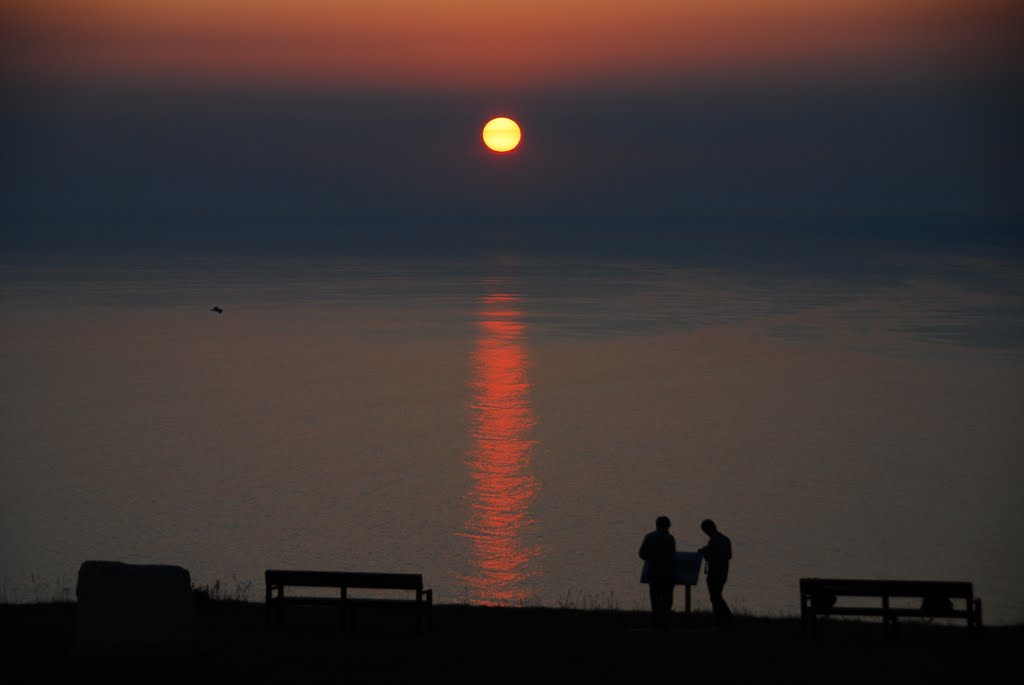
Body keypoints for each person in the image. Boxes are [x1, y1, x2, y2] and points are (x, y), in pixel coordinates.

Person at [639, 515, 676, 631]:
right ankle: (666, 623)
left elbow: (642, 554)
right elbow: (672, 556)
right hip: (667, 574)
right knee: (667, 599)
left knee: (655, 599)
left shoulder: (649, 537)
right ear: (667, 526)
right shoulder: (670, 538)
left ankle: (656, 623)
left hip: (653, 572)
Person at [698, 518, 733, 627]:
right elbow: (729, 556)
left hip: (714, 573)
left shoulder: (713, 541)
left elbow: (710, 556)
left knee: (715, 597)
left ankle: (724, 618)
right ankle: (723, 619)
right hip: (723, 572)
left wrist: (705, 553)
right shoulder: (726, 539)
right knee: (716, 596)